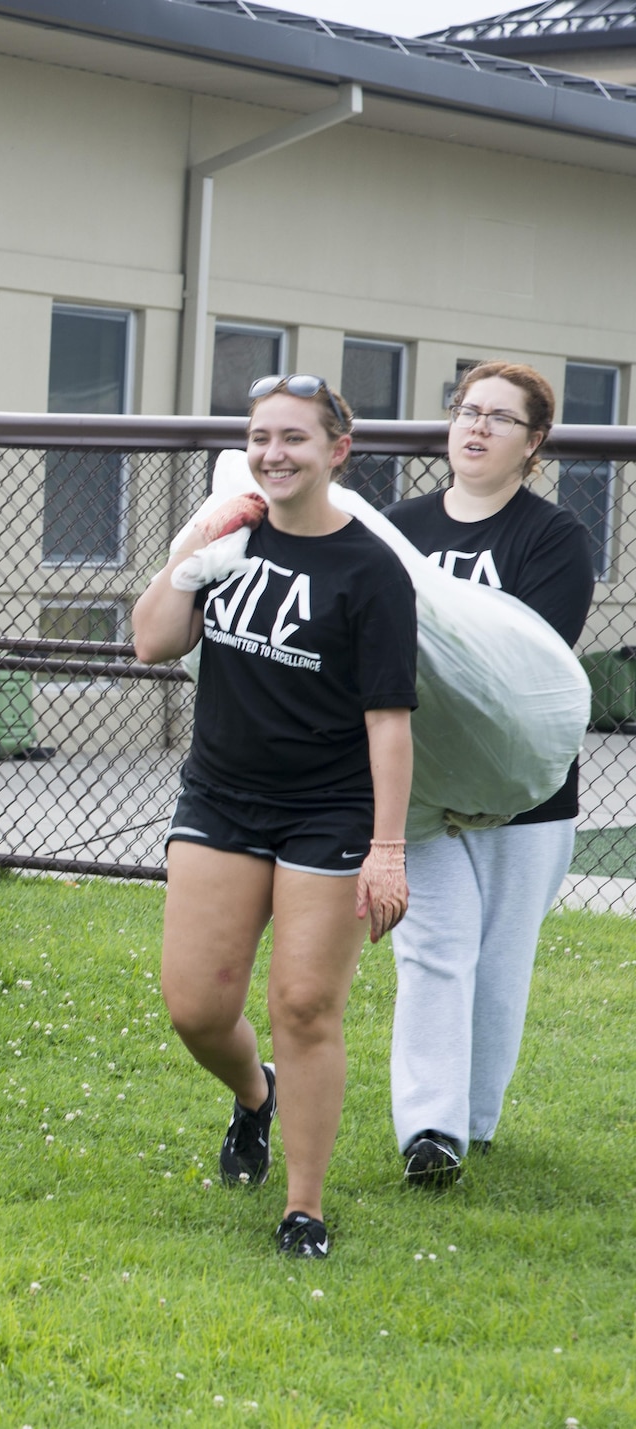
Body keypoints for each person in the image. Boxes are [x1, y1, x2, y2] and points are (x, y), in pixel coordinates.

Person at [132, 374, 416, 1259]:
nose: (273, 453)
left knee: (304, 1005)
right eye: (260, 436)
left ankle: (305, 1207)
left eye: (295, 437)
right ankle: (258, 1097)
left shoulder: (371, 569)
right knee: (197, 1008)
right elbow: (152, 640)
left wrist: (388, 848)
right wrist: (196, 546)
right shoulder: (232, 536)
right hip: (221, 795)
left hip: (326, 810)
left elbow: (389, 723)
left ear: (338, 451)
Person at [383, 362, 592, 1188]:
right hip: (422, 785)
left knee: (500, 959)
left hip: (525, 799)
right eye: (467, 411)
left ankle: (474, 1119)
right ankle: (429, 1131)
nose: (475, 428)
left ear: (532, 443)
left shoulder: (552, 539)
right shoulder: (397, 528)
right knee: (434, 947)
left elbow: (529, 668)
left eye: (500, 419)